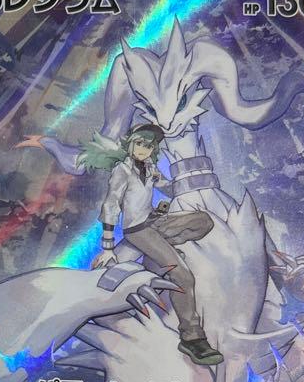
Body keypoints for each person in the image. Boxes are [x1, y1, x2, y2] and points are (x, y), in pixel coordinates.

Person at [84, 123, 223, 366]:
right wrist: (107, 247)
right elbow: (111, 205)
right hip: (137, 230)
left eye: (149, 146)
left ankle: (160, 251)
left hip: (154, 221)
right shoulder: (122, 170)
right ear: (130, 143)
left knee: (203, 221)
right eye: (139, 143)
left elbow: (168, 189)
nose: (143, 149)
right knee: (183, 277)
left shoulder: (149, 168)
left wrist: (168, 181)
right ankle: (191, 337)